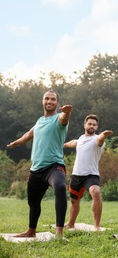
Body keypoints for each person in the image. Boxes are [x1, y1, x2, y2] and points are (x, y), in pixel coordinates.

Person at [6, 90, 72, 238]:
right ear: (43, 101)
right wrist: (16, 143)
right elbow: (28, 135)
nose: (49, 101)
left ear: (57, 103)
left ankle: (59, 233)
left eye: (53, 99)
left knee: (60, 187)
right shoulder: (40, 121)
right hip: (36, 170)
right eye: (47, 99)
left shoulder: (59, 119)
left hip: (54, 167)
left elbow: (64, 118)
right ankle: (31, 231)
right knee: (33, 202)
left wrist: (67, 112)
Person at [63, 114, 113, 231]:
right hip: (76, 175)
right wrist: (63, 145)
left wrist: (104, 134)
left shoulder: (97, 140)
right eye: (90, 124)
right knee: (74, 201)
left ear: (97, 127)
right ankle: (71, 223)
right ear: (85, 125)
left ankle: (96, 226)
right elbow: (73, 143)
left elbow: (100, 138)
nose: (92, 126)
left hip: (91, 175)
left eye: (94, 125)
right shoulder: (80, 139)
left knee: (95, 192)